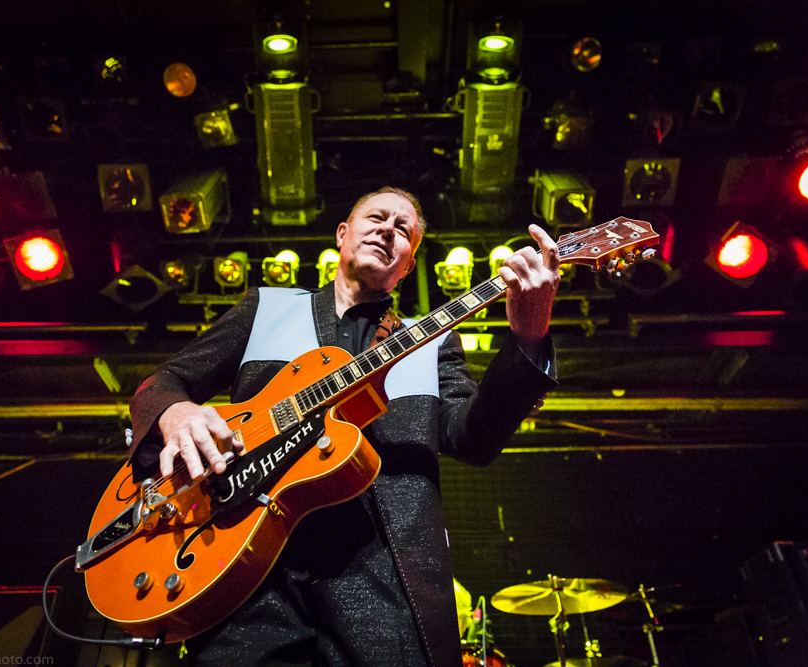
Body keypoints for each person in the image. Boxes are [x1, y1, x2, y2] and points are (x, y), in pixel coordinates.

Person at [127, 187, 560, 667]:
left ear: (409, 264)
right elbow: (164, 381)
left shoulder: (431, 341)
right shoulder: (266, 308)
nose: (388, 230)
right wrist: (176, 412)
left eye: (404, 230)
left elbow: (472, 439)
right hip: (249, 568)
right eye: (377, 217)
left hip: (382, 575)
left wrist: (528, 335)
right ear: (343, 234)